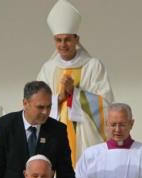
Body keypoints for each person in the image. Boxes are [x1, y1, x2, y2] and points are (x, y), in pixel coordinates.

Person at [37, 0, 114, 166]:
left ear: (76, 39)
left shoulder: (93, 65)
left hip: (84, 136)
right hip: (54, 134)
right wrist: (58, 98)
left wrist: (76, 94)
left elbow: (106, 103)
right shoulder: (48, 69)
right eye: (58, 40)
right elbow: (35, 103)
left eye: (67, 40)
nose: (63, 45)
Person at [0, 81, 74, 178]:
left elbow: (66, 174)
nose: (45, 112)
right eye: (40, 107)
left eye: (49, 107)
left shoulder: (57, 131)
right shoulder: (4, 127)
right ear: (25, 103)